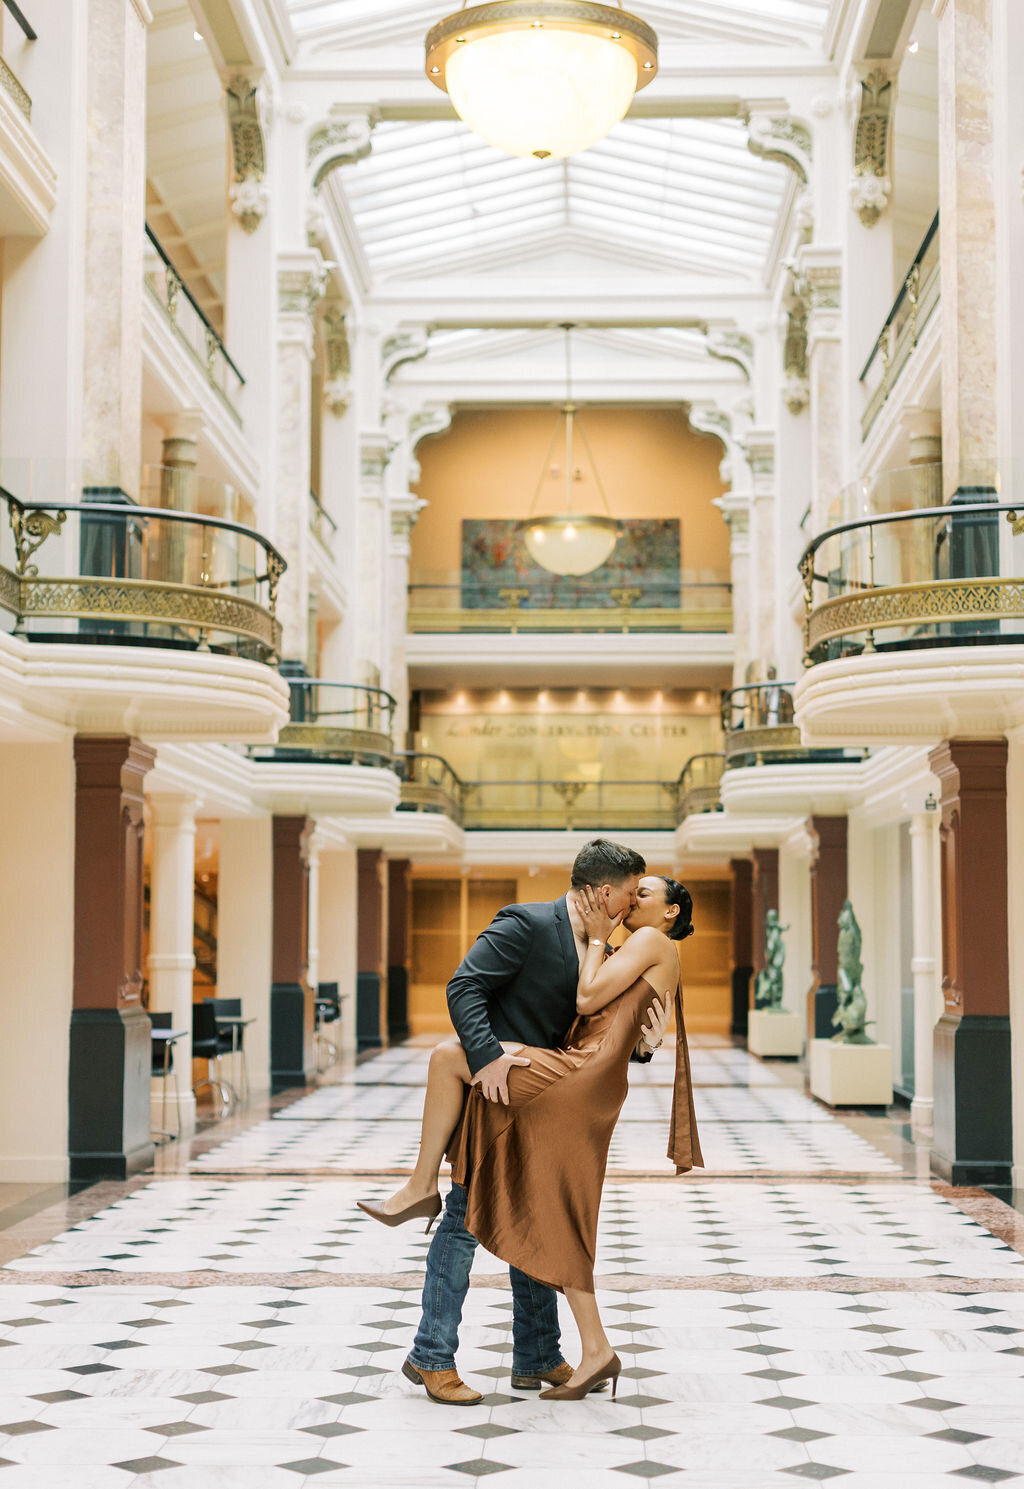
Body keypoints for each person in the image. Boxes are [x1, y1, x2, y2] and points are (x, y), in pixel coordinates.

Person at [357, 839, 668, 1406]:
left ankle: (537, 1355)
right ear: (604, 891)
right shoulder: (525, 924)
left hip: (546, 1098)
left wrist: (645, 1046)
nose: (631, 904)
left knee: (534, 1217)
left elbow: (596, 1030)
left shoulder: (608, 946)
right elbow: (464, 986)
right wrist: (486, 1057)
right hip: (496, 1093)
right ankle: (431, 1356)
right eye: (629, 893)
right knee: (464, 1223)